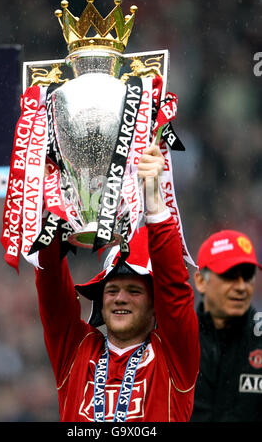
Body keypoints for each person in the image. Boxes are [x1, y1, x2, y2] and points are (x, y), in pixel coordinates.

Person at [35, 144, 200, 422]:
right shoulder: (77, 350)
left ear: (154, 305)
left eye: (134, 290)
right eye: (111, 290)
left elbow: (174, 288)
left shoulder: (172, 356)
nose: (120, 298)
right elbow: (50, 285)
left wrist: (153, 200)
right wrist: (49, 208)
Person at [191, 229, 262, 422]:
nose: (241, 286)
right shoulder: (176, 340)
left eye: (247, 276)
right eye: (229, 275)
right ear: (200, 281)